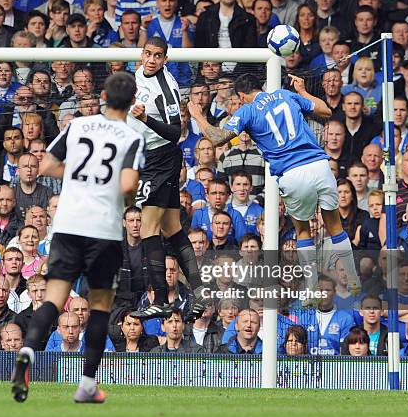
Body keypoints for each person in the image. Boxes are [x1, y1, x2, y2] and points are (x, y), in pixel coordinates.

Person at [10, 72, 144, 404]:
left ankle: (27, 351)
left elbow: (46, 166)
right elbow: (127, 186)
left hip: (68, 226)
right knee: (99, 307)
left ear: (102, 95)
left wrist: (80, 178)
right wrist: (115, 192)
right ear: (132, 99)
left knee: (54, 300)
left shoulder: (78, 126)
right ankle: (86, 385)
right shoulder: (131, 136)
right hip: (103, 230)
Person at [188, 73, 361, 294]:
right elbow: (326, 111)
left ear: (241, 95)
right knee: (335, 226)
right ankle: (353, 279)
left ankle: (311, 289)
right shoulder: (285, 95)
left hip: (291, 172)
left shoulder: (247, 111)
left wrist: (198, 116)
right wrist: (303, 91)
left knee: (303, 231)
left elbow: (216, 137)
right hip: (319, 164)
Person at [128, 37, 204, 320]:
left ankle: (160, 298)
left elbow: (176, 133)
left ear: (165, 60)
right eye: (148, 54)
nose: (151, 60)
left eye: (157, 56)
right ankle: (201, 291)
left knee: (148, 227)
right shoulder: (138, 75)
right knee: (172, 227)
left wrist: (146, 119)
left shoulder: (166, 88)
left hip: (161, 159)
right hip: (151, 158)